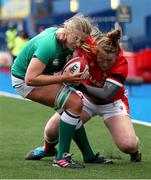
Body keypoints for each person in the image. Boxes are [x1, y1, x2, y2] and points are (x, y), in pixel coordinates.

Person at [25, 28, 141, 163]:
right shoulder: (89, 47)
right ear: (96, 51)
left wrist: (79, 86)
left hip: (112, 103)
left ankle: (135, 152)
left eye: (109, 60)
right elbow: (77, 28)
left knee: (128, 145)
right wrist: (62, 31)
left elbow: (105, 94)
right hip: (86, 99)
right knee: (51, 131)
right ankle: (48, 149)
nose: (104, 63)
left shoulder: (121, 64)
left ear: (116, 57)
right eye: (101, 58)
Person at [11, 14, 112, 169]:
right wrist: (64, 77)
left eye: (82, 41)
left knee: (74, 106)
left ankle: (87, 155)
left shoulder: (67, 39)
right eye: (76, 39)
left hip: (39, 77)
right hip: (23, 81)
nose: (78, 43)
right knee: (75, 103)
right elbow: (30, 78)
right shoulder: (49, 45)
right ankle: (61, 159)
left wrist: (67, 77)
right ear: (67, 30)